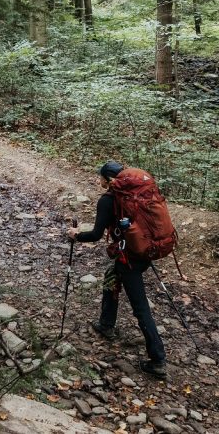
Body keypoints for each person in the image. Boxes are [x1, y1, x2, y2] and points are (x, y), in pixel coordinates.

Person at [66, 160, 167, 378]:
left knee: (140, 308)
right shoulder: (138, 196)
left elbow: (95, 235)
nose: (98, 180)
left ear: (109, 181)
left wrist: (76, 235)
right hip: (144, 251)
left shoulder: (108, 200)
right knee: (111, 276)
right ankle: (106, 324)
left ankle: (158, 360)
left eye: (101, 177)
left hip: (129, 257)